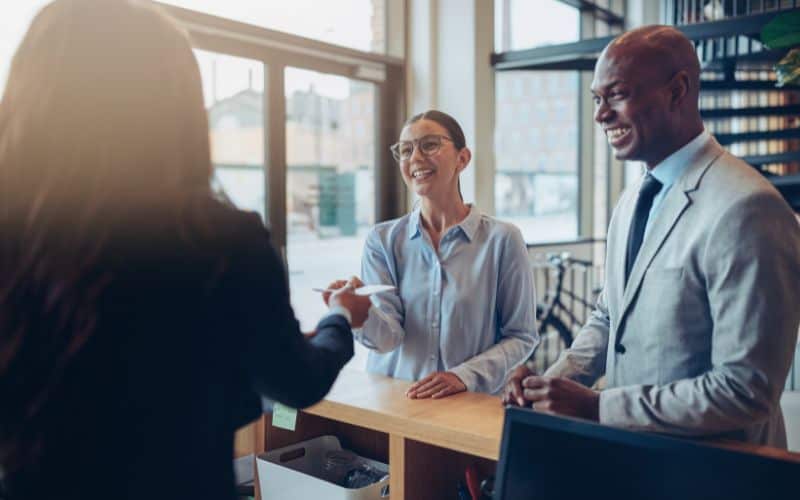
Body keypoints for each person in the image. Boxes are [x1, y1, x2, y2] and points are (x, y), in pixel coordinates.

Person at [0, 1, 371, 499]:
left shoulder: (20, 237)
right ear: (173, 104)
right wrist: (339, 318)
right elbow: (296, 382)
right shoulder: (218, 240)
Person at [503, 25, 800, 447]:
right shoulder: (631, 199)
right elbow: (609, 318)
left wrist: (597, 407)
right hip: (641, 463)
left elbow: (744, 389)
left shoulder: (749, 208)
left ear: (678, 92)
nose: (600, 115)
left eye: (617, 95)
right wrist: (549, 385)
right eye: (596, 99)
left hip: (715, 477)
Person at [326, 110, 538, 399]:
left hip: (470, 407)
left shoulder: (503, 240)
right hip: (396, 406)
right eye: (405, 149)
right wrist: (359, 313)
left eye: (429, 145)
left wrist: (463, 376)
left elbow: (521, 337)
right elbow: (388, 340)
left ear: (462, 159)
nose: (415, 158)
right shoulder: (383, 240)